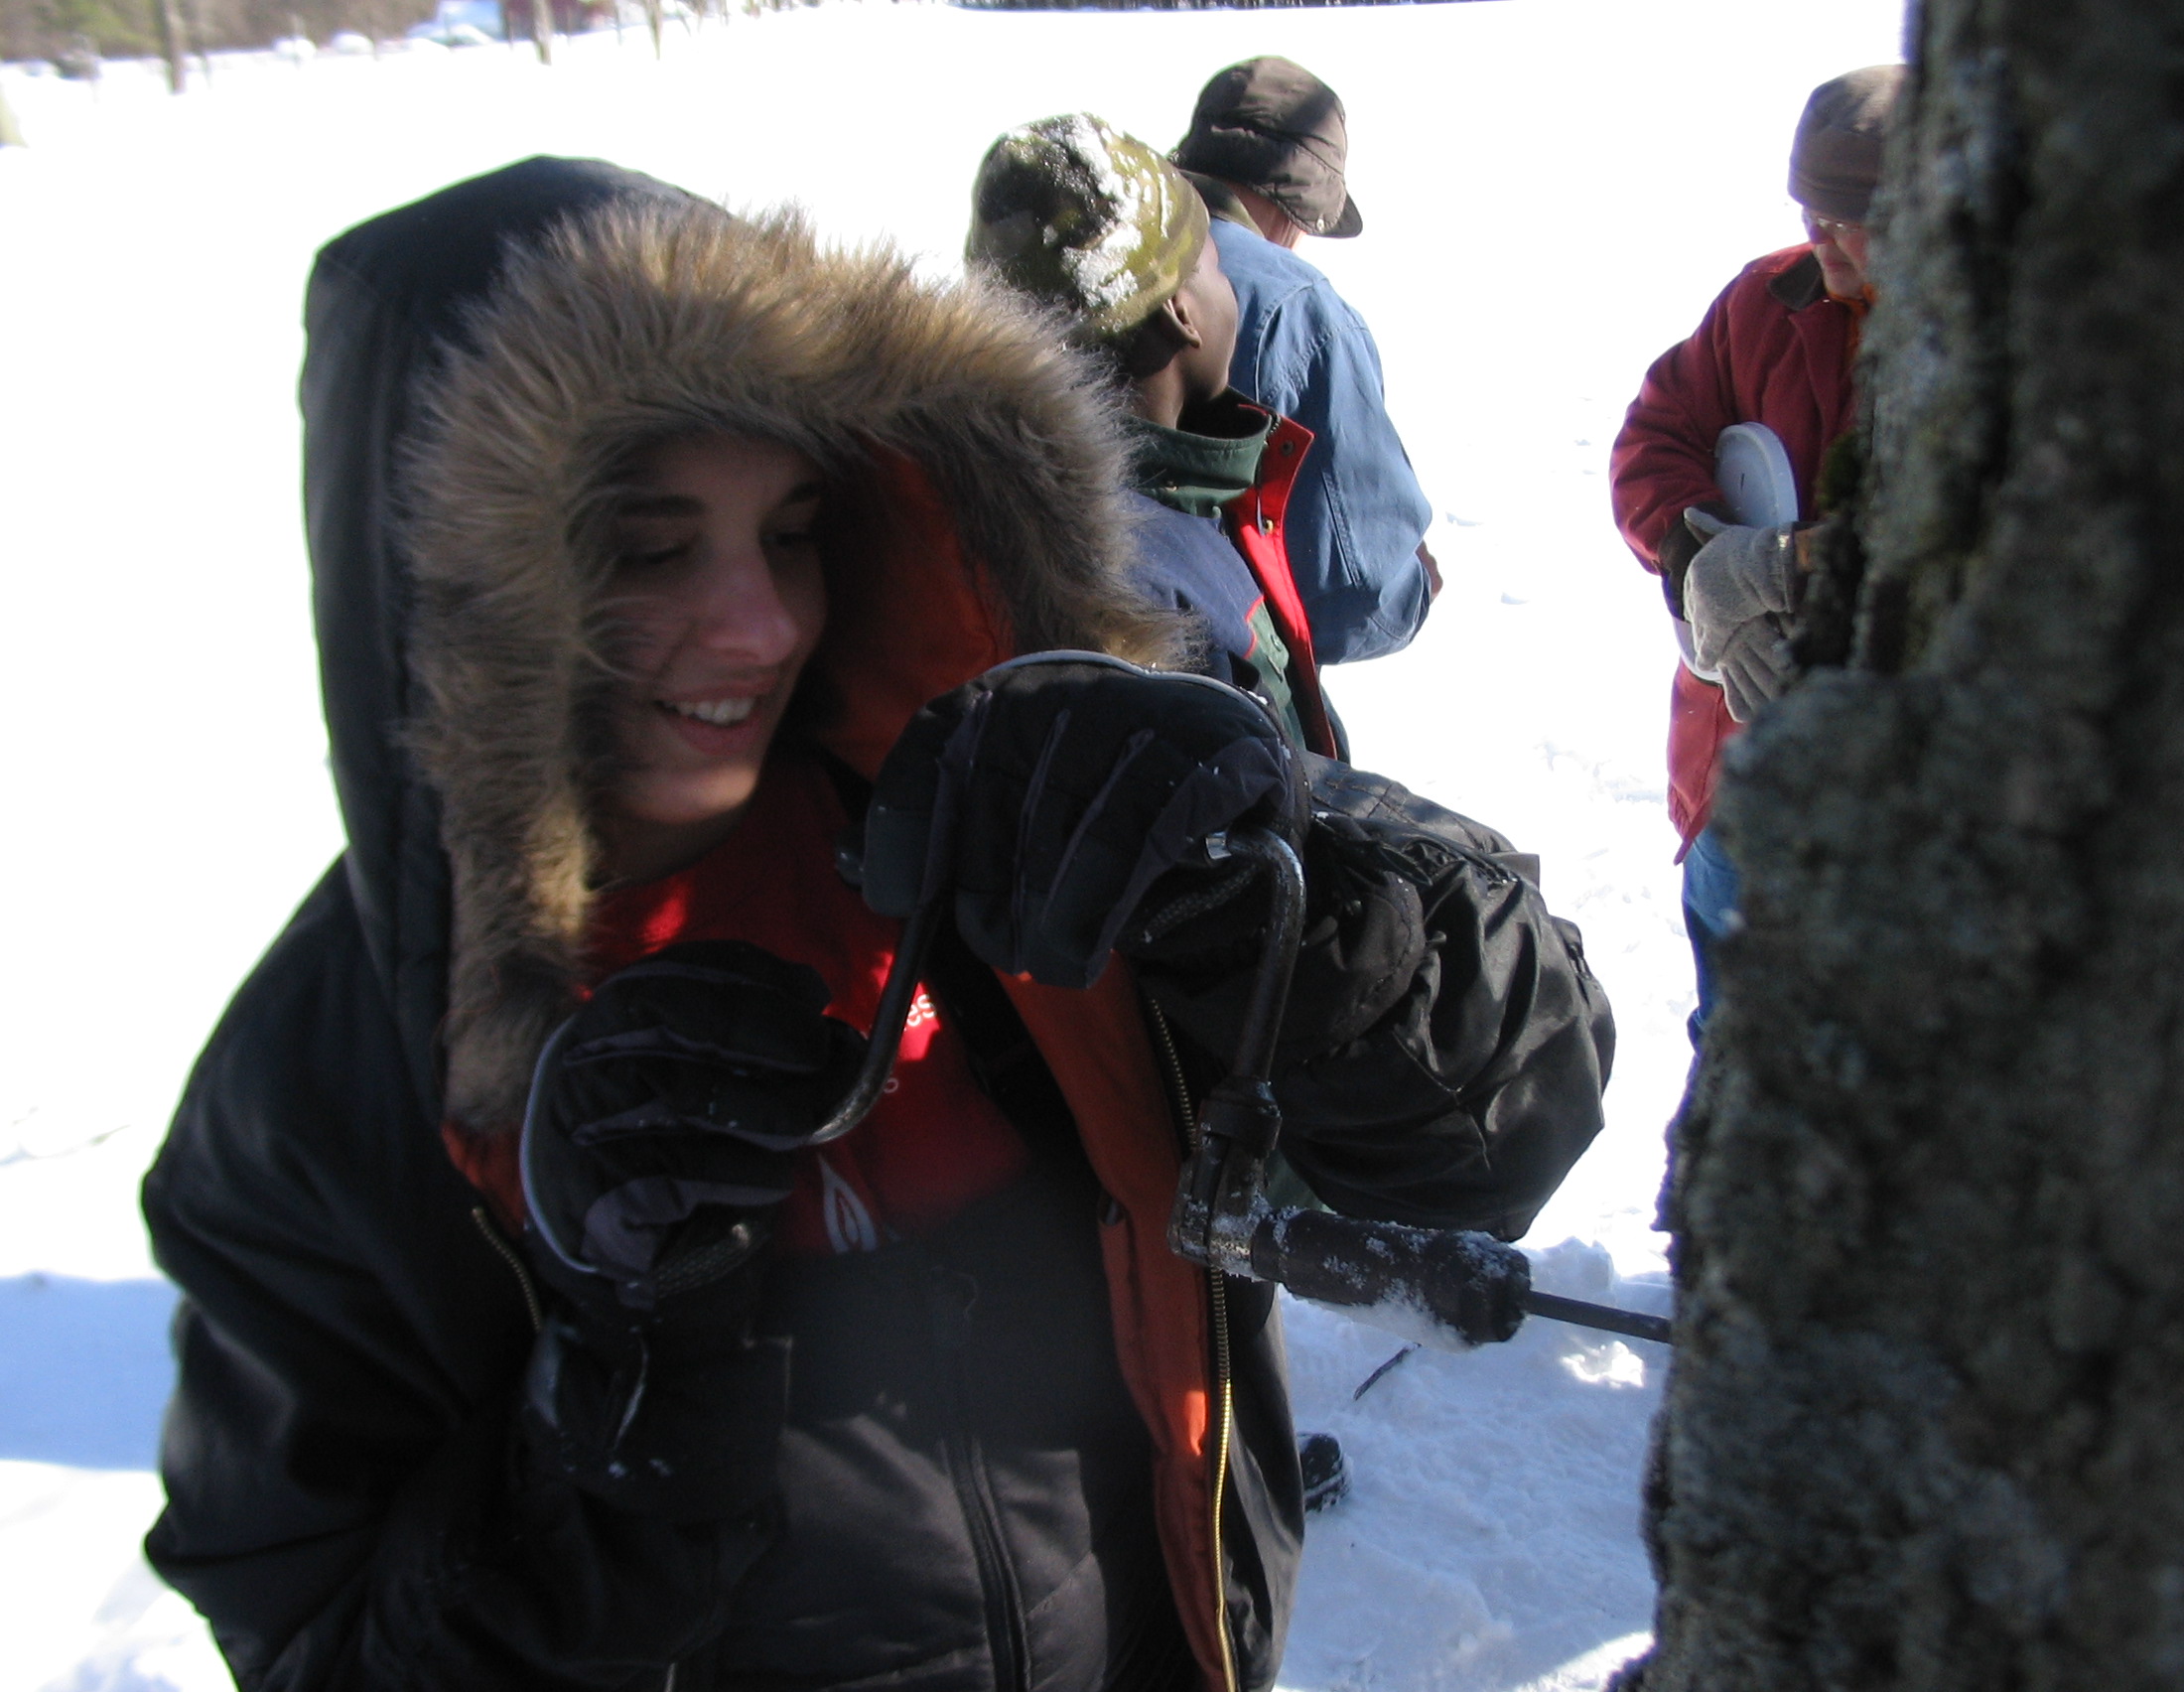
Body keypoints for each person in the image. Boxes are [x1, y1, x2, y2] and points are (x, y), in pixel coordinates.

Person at [140, 155, 1615, 1692]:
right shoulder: (315, 1109)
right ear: (458, 594)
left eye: (789, 531)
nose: (766, 623)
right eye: (651, 549)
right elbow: (326, 1647)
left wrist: (1289, 922)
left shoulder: (989, 795)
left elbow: (1510, 1126)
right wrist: (624, 1394)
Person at [1608, 64, 1905, 1045]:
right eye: (1808, 205)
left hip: (1886, 817)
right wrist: (1703, 559)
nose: (1818, 234)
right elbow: (1652, 442)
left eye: (1848, 214)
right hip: (1731, 779)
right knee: (1732, 1066)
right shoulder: (1764, 301)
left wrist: (1806, 569)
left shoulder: (1981, 346)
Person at [966, 113, 1335, 762]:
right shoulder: (1143, 579)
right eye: (1216, 267)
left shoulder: (1018, 500)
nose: (1232, 294)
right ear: (1179, 310)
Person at [1170, 57, 1437, 668]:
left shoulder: (1089, 246)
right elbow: (1352, 598)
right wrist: (1416, 583)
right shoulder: (1296, 309)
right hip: (1210, 700)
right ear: (1297, 203)